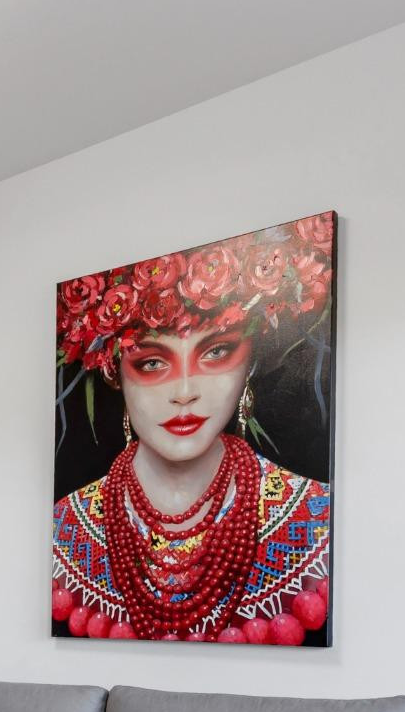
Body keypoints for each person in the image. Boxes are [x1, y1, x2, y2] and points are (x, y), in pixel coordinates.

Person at [52, 215, 333, 644]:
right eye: (151, 363)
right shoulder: (64, 531)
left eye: (216, 352)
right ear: (114, 372)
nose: (184, 392)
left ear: (249, 362)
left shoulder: (315, 519)